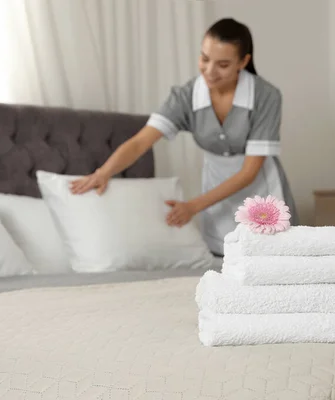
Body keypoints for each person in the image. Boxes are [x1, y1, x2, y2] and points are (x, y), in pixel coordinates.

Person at [70, 18, 299, 256]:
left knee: (273, 258)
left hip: (260, 188)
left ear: (243, 61)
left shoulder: (266, 96)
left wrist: (193, 206)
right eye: (204, 58)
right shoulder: (186, 97)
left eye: (222, 64)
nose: (209, 71)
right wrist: (103, 172)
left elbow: (249, 172)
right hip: (215, 190)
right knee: (224, 259)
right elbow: (141, 142)